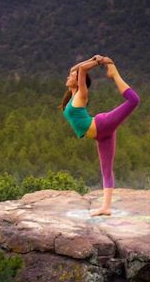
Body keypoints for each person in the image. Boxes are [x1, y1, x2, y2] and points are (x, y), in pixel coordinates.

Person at [60, 55, 140, 216]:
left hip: (102, 124)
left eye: (71, 76)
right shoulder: (72, 94)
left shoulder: (81, 94)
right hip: (101, 135)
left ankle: (114, 73)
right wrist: (92, 58)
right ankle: (106, 207)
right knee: (106, 170)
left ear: (78, 81)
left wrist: (100, 62)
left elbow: (81, 69)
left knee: (134, 100)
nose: (68, 76)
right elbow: (76, 69)